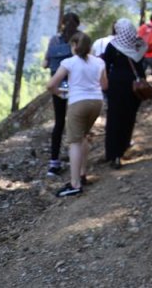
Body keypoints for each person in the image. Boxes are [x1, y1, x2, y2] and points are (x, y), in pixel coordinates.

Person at [46, 32, 107, 197]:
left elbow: (51, 85)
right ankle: (82, 173)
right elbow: (104, 85)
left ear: (74, 46)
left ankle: (74, 184)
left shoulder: (69, 62)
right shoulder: (99, 62)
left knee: (74, 142)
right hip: (96, 102)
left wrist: (61, 93)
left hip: (78, 102)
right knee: (83, 136)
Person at [103, 18, 147, 169]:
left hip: (115, 86)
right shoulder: (138, 45)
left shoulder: (113, 46)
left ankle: (113, 154)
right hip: (133, 87)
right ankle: (123, 147)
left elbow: (105, 66)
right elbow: (141, 67)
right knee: (128, 117)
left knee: (114, 118)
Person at [42, 12, 81, 177]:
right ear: (78, 24)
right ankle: (78, 162)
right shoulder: (81, 39)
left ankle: (54, 163)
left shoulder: (54, 40)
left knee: (59, 123)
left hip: (58, 85)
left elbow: (45, 64)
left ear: (62, 23)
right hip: (76, 85)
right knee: (77, 123)